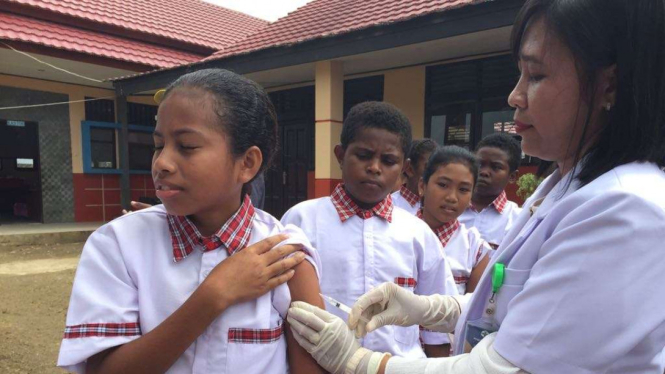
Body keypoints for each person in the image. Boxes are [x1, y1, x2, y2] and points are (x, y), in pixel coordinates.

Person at [285, 0, 665, 372]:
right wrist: (431, 309)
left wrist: (359, 363)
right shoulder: (563, 187)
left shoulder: (626, 210)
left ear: (608, 86)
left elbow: (503, 366)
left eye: (536, 76)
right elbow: (507, 308)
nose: (514, 96)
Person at [58, 69, 326, 374]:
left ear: (247, 163)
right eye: (159, 145)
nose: (161, 163)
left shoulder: (284, 257)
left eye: (186, 147)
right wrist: (213, 295)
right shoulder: (118, 245)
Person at [281, 101, 458, 361]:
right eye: (363, 156)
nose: (375, 168)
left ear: (404, 168)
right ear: (340, 155)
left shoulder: (417, 233)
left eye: (388, 161)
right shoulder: (301, 220)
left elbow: (438, 323)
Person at [417, 146, 491, 294]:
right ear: (422, 186)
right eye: (443, 185)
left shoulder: (476, 249)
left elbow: (471, 309)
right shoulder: (397, 234)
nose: (452, 197)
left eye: (463, 189)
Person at [459, 133, 522, 249]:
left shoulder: (517, 221)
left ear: (512, 176)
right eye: (479, 164)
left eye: (496, 167)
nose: (484, 172)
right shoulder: (449, 210)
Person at [392, 139, 438, 215]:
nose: (436, 173)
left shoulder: (441, 206)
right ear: (409, 169)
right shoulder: (391, 205)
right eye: (429, 168)